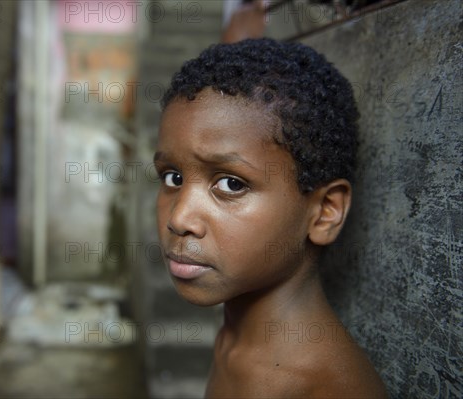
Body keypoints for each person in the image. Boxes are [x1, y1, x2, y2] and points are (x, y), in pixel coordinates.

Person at [154, 38, 388, 398]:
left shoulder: (327, 388)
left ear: (324, 213)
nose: (179, 218)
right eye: (173, 177)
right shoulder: (236, 341)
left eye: (231, 184)